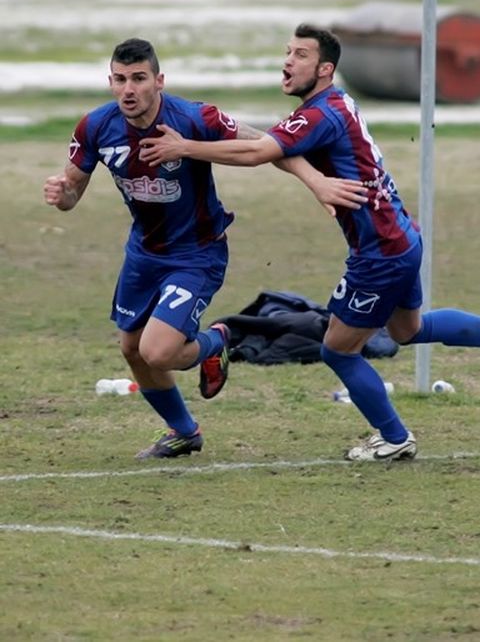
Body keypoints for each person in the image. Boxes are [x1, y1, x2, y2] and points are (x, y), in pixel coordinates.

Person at [138, 23, 480, 461]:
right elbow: (273, 144)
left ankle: (394, 438)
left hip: (378, 253)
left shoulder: (319, 114)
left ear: (324, 68)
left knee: (338, 350)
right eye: (287, 51)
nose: (287, 61)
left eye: (299, 55)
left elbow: (260, 153)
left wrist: (185, 147)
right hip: (400, 238)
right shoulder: (333, 105)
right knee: (407, 329)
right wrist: (311, 177)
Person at [43, 38, 363, 460]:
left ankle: (216, 341)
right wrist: (60, 193)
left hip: (197, 252)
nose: (129, 90)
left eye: (139, 79)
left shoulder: (195, 118)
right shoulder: (96, 127)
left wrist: (316, 180)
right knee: (131, 348)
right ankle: (183, 432)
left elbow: (265, 145)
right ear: (110, 82)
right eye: (120, 80)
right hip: (144, 252)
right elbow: (71, 194)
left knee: (157, 351)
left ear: (159, 81)